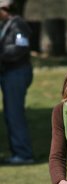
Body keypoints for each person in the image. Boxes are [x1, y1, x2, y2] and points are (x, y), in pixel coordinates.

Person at [0, 0, 34, 165]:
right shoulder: (6, 24)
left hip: (17, 73)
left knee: (15, 114)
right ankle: (18, 152)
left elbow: (21, 48)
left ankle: (24, 154)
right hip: (9, 73)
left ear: (5, 9)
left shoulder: (18, 25)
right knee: (10, 113)